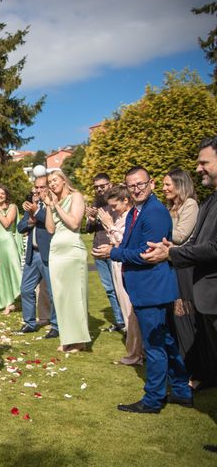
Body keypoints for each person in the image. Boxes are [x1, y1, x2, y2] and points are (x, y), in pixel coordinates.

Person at [94, 166, 191, 414]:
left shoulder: (155, 212)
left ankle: (153, 399)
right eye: (131, 185)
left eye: (141, 184)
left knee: (154, 345)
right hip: (148, 287)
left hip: (152, 287)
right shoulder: (141, 210)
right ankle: (181, 390)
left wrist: (113, 252)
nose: (137, 189)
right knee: (165, 340)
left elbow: (148, 254)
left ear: (152, 183)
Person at [143, 137, 217, 391]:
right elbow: (195, 239)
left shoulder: (194, 204)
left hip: (201, 282)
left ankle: (203, 373)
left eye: (204, 162)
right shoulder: (209, 201)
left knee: (190, 325)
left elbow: (204, 244)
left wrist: (171, 252)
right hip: (198, 284)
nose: (198, 169)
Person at [162, 168, 205, 383]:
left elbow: (179, 236)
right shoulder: (172, 208)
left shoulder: (190, 205)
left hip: (184, 269)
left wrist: (160, 232)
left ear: (180, 184)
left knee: (185, 318)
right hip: (172, 266)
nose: (164, 188)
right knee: (175, 320)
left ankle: (196, 372)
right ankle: (183, 369)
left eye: (168, 184)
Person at [44, 170, 89, 353]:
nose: (52, 184)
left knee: (75, 295)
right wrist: (49, 206)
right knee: (60, 295)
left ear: (63, 180)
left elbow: (74, 223)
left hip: (72, 250)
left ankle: (79, 340)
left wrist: (57, 206)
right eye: (49, 182)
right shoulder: (54, 203)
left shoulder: (76, 196)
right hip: (56, 251)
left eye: (55, 180)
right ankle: (67, 337)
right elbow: (50, 228)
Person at [97, 185, 143, 365]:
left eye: (115, 205)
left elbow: (124, 242)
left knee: (130, 311)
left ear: (126, 200)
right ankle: (137, 350)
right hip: (117, 264)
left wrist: (109, 226)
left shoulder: (132, 217)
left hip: (125, 264)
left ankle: (135, 353)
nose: (113, 209)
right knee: (127, 311)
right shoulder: (123, 217)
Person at [17, 175, 59, 338]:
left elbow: (52, 225)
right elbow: (21, 227)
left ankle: (56, 325)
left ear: (48, 188)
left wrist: (37, 213)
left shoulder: (53, 204)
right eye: (37, 187)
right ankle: (29, 323)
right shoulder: (33, 205)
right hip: (32, 253)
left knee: (52, 291)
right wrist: (30, 222)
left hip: (48, 253)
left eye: (42, 187)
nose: (39, 190)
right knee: (26, 289)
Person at [85, 173, 124, 332]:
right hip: (98, 250)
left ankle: (127, 320)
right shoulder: (96, 203)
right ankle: (120, 321)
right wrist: (92, 219)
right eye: (96, 187)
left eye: (102, 185)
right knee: (109, 288)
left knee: (120, 287)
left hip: (113, 249)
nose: (99, 189)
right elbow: (88, 229)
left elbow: (120, 225)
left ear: (110, 184)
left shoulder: (117, 202)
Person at [0, 186, 22, 314]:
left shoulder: (12, 207)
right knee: (1, 274)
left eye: (2, 193)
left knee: (12, 270)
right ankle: (6, 302)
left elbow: (7, 223)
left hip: (8, 243)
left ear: (6, 195)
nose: (0, 195)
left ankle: (14, 300)